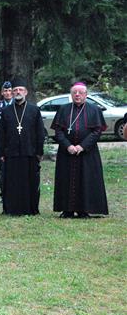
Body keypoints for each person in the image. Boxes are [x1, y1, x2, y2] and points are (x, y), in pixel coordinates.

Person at [51, 82, 108, 218]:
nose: (77, 95)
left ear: (86, 95)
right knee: (65, 180)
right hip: (67, 152)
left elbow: (97, 131)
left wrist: (82, 146)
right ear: (71, 95)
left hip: (87, 152)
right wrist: (68, 145)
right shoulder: (64, 109)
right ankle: (67, 210)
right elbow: (58, 131)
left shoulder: (94, 109)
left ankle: (84, 210)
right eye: (74, 92)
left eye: (80, 93)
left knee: (86, 180)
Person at [0, 79, 45, 216]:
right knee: (11, 183)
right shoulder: (6, 111)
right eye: (15, 90)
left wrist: (39, 151)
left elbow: (40, 132)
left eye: (20, 90)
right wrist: (1, 152)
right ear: (12, 93)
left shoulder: (34, 110)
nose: (18, 92)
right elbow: (1, 133)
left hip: (30, 152)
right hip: (11, 153)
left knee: (30, 182)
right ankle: (11, 209)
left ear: (26, 92)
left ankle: (31, 209)